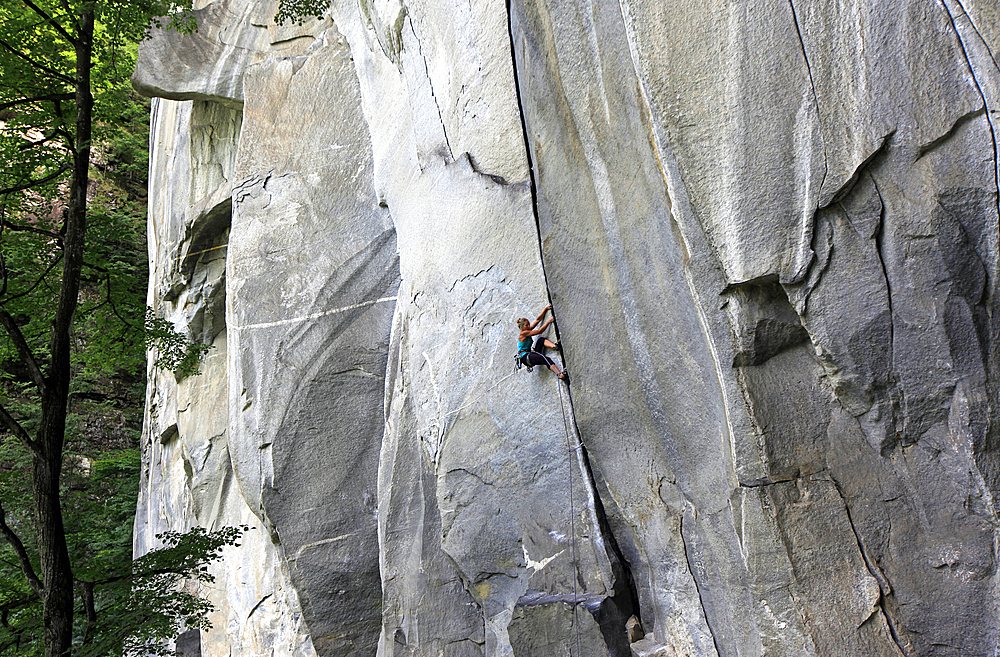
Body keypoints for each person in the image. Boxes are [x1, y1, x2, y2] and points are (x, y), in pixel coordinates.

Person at [516, 304, 567, 380]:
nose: (529, 326)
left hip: (529, 354)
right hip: (526, 357)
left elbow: (537, 320)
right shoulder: (523, 333)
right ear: (522, 327)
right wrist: (549, 321)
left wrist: (545, 309)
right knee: (546, 359)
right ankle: (560, 375)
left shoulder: (527, 330)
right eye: (527, 325)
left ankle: (555, 346)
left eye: (529, 324)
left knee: (541, 340)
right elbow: (539, 331)